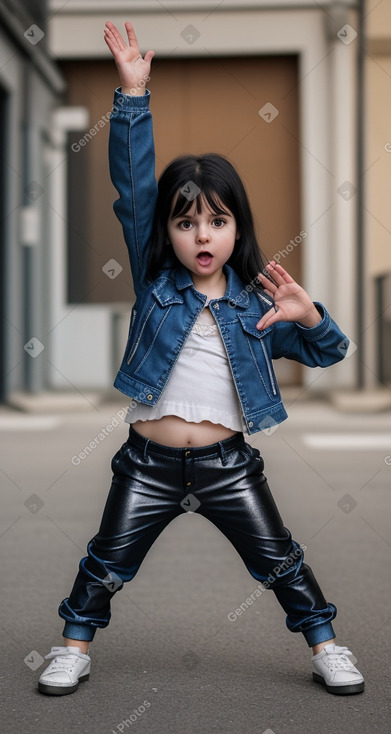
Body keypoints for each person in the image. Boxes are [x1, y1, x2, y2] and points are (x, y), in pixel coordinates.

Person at [38, 21, 364, 697]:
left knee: (281, 561)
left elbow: (330, 354)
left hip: (227, 467)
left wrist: (310, 316)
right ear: (169, 234)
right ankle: (72, 646)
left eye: (215, 220)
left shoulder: (255, 305)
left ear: (237, 226)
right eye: (185, 222)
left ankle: (326, 645)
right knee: (106, 561)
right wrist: (133, 96)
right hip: (149, 464)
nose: (200, 234)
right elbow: (133, 189)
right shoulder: (155, 282)